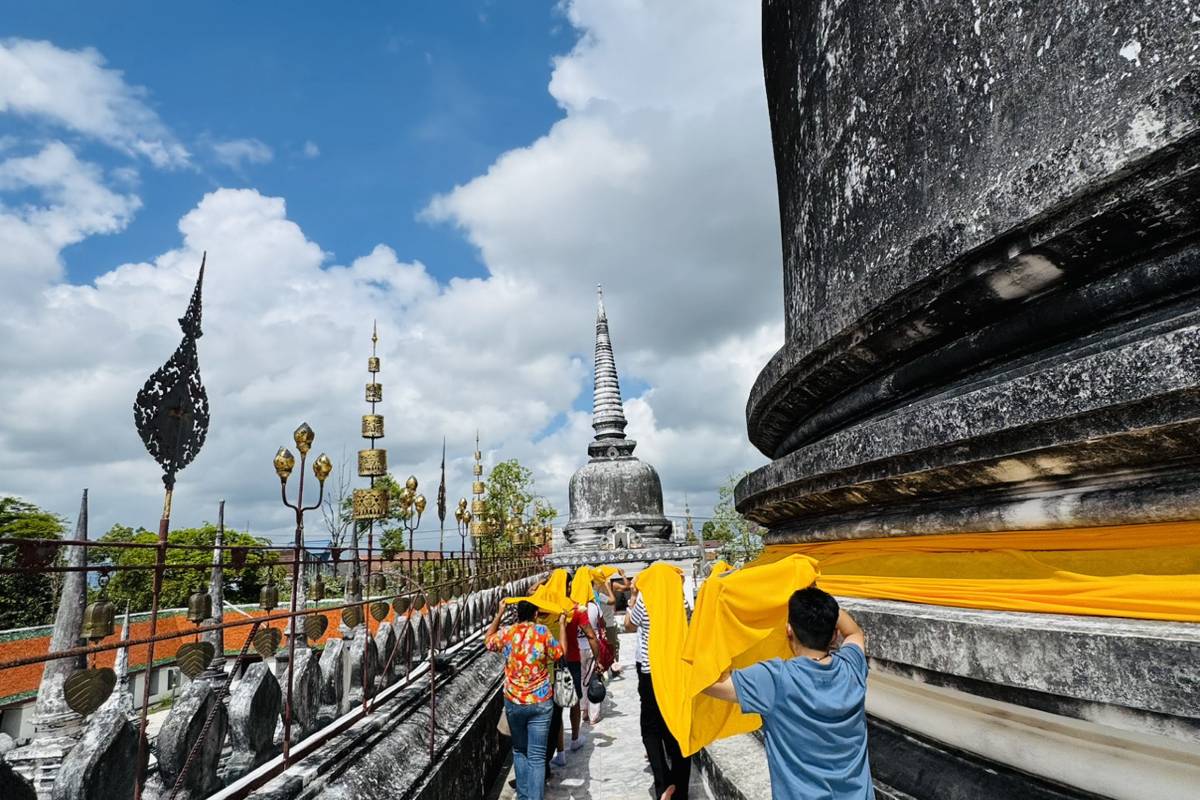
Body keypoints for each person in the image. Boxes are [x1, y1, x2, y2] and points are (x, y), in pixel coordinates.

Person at [702, 587, 873, 800]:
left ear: (788, 631)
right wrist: (823, 610)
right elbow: (854, 632)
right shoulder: (852, 668)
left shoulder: (775, 680)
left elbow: (706, 681)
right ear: (834, 635)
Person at [485, 599, 565, 800]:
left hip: (514, 701)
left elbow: (488, 640)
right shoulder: (542, 632)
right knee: (537, 756)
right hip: (540, 701)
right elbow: (560, 653)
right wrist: (563, 624)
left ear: (517, 614)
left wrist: (499, 613)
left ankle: (523, 797)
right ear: (536, 614)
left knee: (520, 751)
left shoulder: (508, 633)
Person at [625, 577, 691, 800]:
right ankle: (680, 789)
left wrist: (633, 596)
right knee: (678, 727)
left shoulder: (646, 598)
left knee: (651, 729)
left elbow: (630, 624)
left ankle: (663, 783)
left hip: (651, 672)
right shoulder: (679, 598)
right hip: (676, 672)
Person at [564, 571, 602, 750]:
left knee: (580, 683)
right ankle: (593, 715)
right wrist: (599, 658)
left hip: (574, 651)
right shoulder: (590, 607)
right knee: (591, 680)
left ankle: (583, 710)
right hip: (587, 648)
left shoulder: (564, 607)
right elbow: (595, 629)